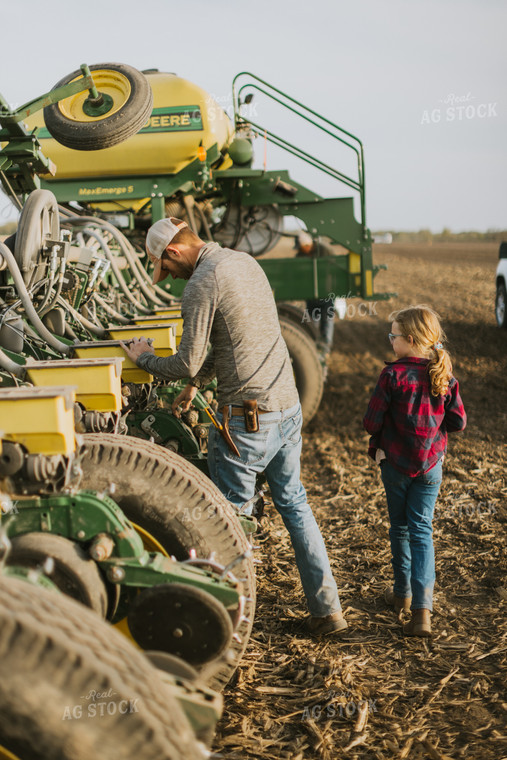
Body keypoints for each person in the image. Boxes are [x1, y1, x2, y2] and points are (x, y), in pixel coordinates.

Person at [121, 217, 347, 636]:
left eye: (166, 268)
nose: (168, 277)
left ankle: (224, 627)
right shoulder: (244, 262)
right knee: (295, 505)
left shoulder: (201, 283)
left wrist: (144, 360)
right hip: (286, 408)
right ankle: (328, 610)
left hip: (247, 423)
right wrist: (196, 386)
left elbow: (186, 359)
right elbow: (234, 339)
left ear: (172, 252)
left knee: (226, 524)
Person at [363, 305, 466, 637]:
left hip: (395, 465)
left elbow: (370, 422)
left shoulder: (391, 375)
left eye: (392, 336)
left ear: (408, 340)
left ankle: (402, 594)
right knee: (422, 531)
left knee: (401, 529)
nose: (390, 342)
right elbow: (458, 422)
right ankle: (422, 611)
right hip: (431, 466)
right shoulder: (444, 376)